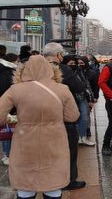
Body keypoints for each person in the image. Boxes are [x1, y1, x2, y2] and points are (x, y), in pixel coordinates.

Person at [0, 55, 80, 199]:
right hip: (54, 142)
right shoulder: (62, 89)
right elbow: (72, 116)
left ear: (25, 70)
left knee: (25, 187)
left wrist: (13, 118)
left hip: (25, 142)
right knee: (53, 186)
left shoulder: (15, 89)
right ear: (51, 70)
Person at [42, 42, 87, 190]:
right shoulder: (64, 69)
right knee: (68, 150)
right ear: (59, 55)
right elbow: (79, 87)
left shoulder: (34, 68)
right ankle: (68, 181)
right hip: (62, 117)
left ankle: (46, 178)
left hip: (39, 116)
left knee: (45, 150)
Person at [63, 55, 95, 146]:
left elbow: (86, 84)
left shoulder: (79, 71)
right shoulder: (64, 73)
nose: (73, 65)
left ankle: (83, 137)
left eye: (74, 63)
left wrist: (90, 98)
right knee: (74, 118)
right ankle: (76, 138)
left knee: (84, 118)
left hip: (82, 97)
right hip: (71, 98)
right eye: (71, 63)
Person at [0, 53, 18, 166]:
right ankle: (8, 154)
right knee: (8, 129)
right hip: (9, 104)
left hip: (3, 103)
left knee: (5, 128)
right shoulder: (10, 72)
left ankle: (6, 154)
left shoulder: (2, 70)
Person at [78, 56, 100, 137]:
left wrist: (95, 97)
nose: (80, 65)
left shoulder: (92, 73)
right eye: (79, 63)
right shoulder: (77, 72)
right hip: (80, 96)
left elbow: (96, 86)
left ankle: (87, 128)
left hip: (88, 97)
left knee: (86, 114)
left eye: (82, 63)